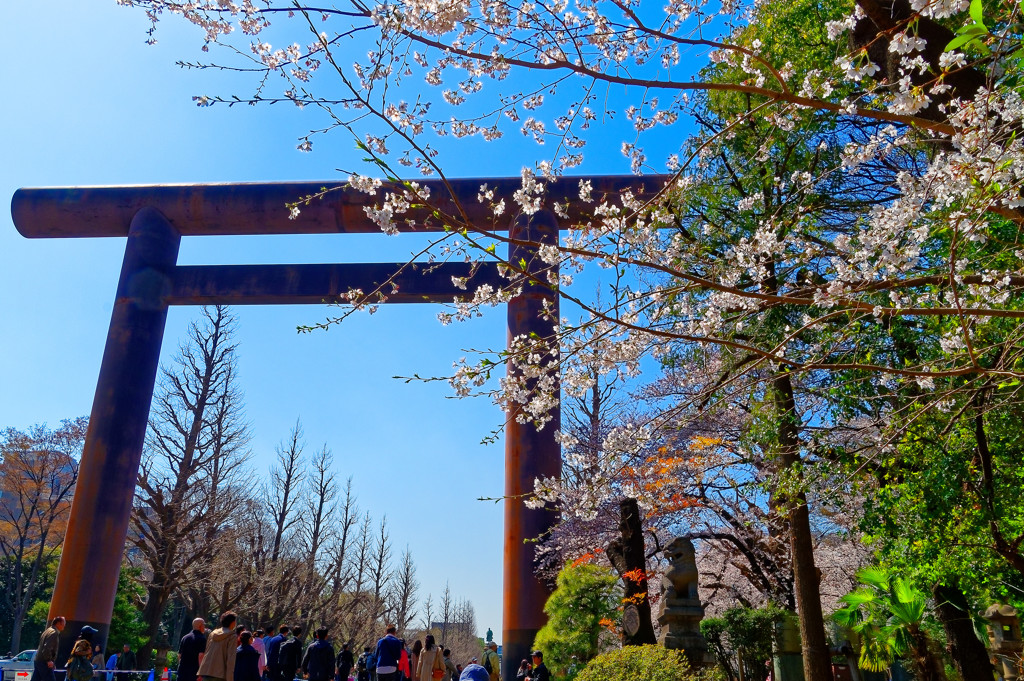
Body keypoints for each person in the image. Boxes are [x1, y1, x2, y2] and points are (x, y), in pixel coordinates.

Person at [197, 611, 240, 681]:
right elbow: (231, 659)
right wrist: (230, 678)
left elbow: (206, 652)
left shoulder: (212, 634)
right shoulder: (232, 636)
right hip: (220, 674)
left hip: (206, 672)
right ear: (232, 623)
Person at [31, 616, 65, 681]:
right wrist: (49, 660)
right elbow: (47, 647)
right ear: (58, 623)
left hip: (38, 660)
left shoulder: (47, 631)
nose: (64, 625)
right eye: (63, 623)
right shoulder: (54, 632)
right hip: (44, 662)